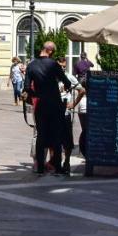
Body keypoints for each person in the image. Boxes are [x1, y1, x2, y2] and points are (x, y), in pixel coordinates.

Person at [24, 42, 73, 174]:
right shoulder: (53, 64)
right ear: (50, 51)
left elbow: (27, 88)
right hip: (55, 104)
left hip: (41, 105)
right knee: (56, 135)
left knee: (41, 135)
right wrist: (67, 86)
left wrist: (37, 94)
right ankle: (57, 166)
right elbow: (66, 81)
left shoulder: (31, 65)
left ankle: (40, 166)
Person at [67, 79, 88, 158]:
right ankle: (84, 151)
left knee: (85, 131)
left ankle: (83, 151)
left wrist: (73, 104)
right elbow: (82, 91)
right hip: (86, 107)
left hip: (82, 107)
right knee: (86, 131)